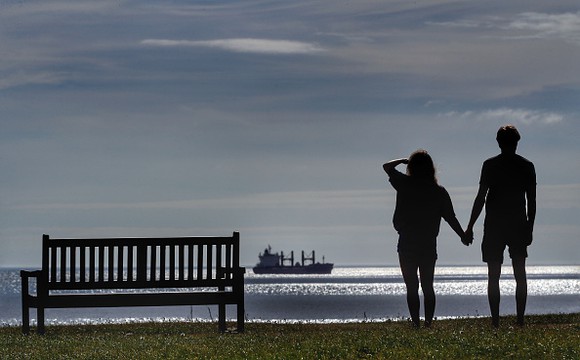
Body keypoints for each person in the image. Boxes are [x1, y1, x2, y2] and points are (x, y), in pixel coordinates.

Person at [383, 150, 469, 328]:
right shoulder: (438, 192)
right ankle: (428, 323)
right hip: (428, 244)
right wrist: (463, 235)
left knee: (412, 286)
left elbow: (386, 167)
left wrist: (402, 160)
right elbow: (450, 217)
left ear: (411, 168)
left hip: (407, 242)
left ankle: (415, 322)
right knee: (428, 285)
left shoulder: (404, 184)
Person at [465, 125, 536, 327]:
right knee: (519, 273)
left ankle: (496, 321)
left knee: (494, 275)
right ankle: (519, 321)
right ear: (516, 142)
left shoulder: (490, 165)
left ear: (498, 142)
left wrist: (470, 227)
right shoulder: (526, 166)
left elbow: (480, 198)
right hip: (517, 224)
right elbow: (532, 201)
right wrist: (530, 227)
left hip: (495, 225)